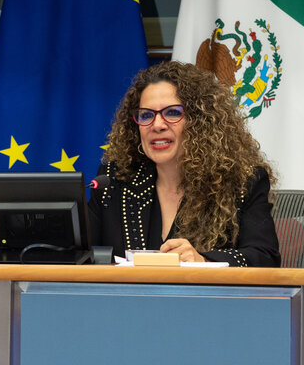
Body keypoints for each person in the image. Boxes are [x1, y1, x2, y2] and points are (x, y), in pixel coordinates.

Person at [88, 61, 280, 267]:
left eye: (172, 113)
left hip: (207, 298)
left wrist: (203, 261)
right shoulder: (113, 182)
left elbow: (265, 258)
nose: (157, 125)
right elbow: (78, 257)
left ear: (199, 120)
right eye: (146, 115)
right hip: (126, 299)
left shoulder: (242, 182)